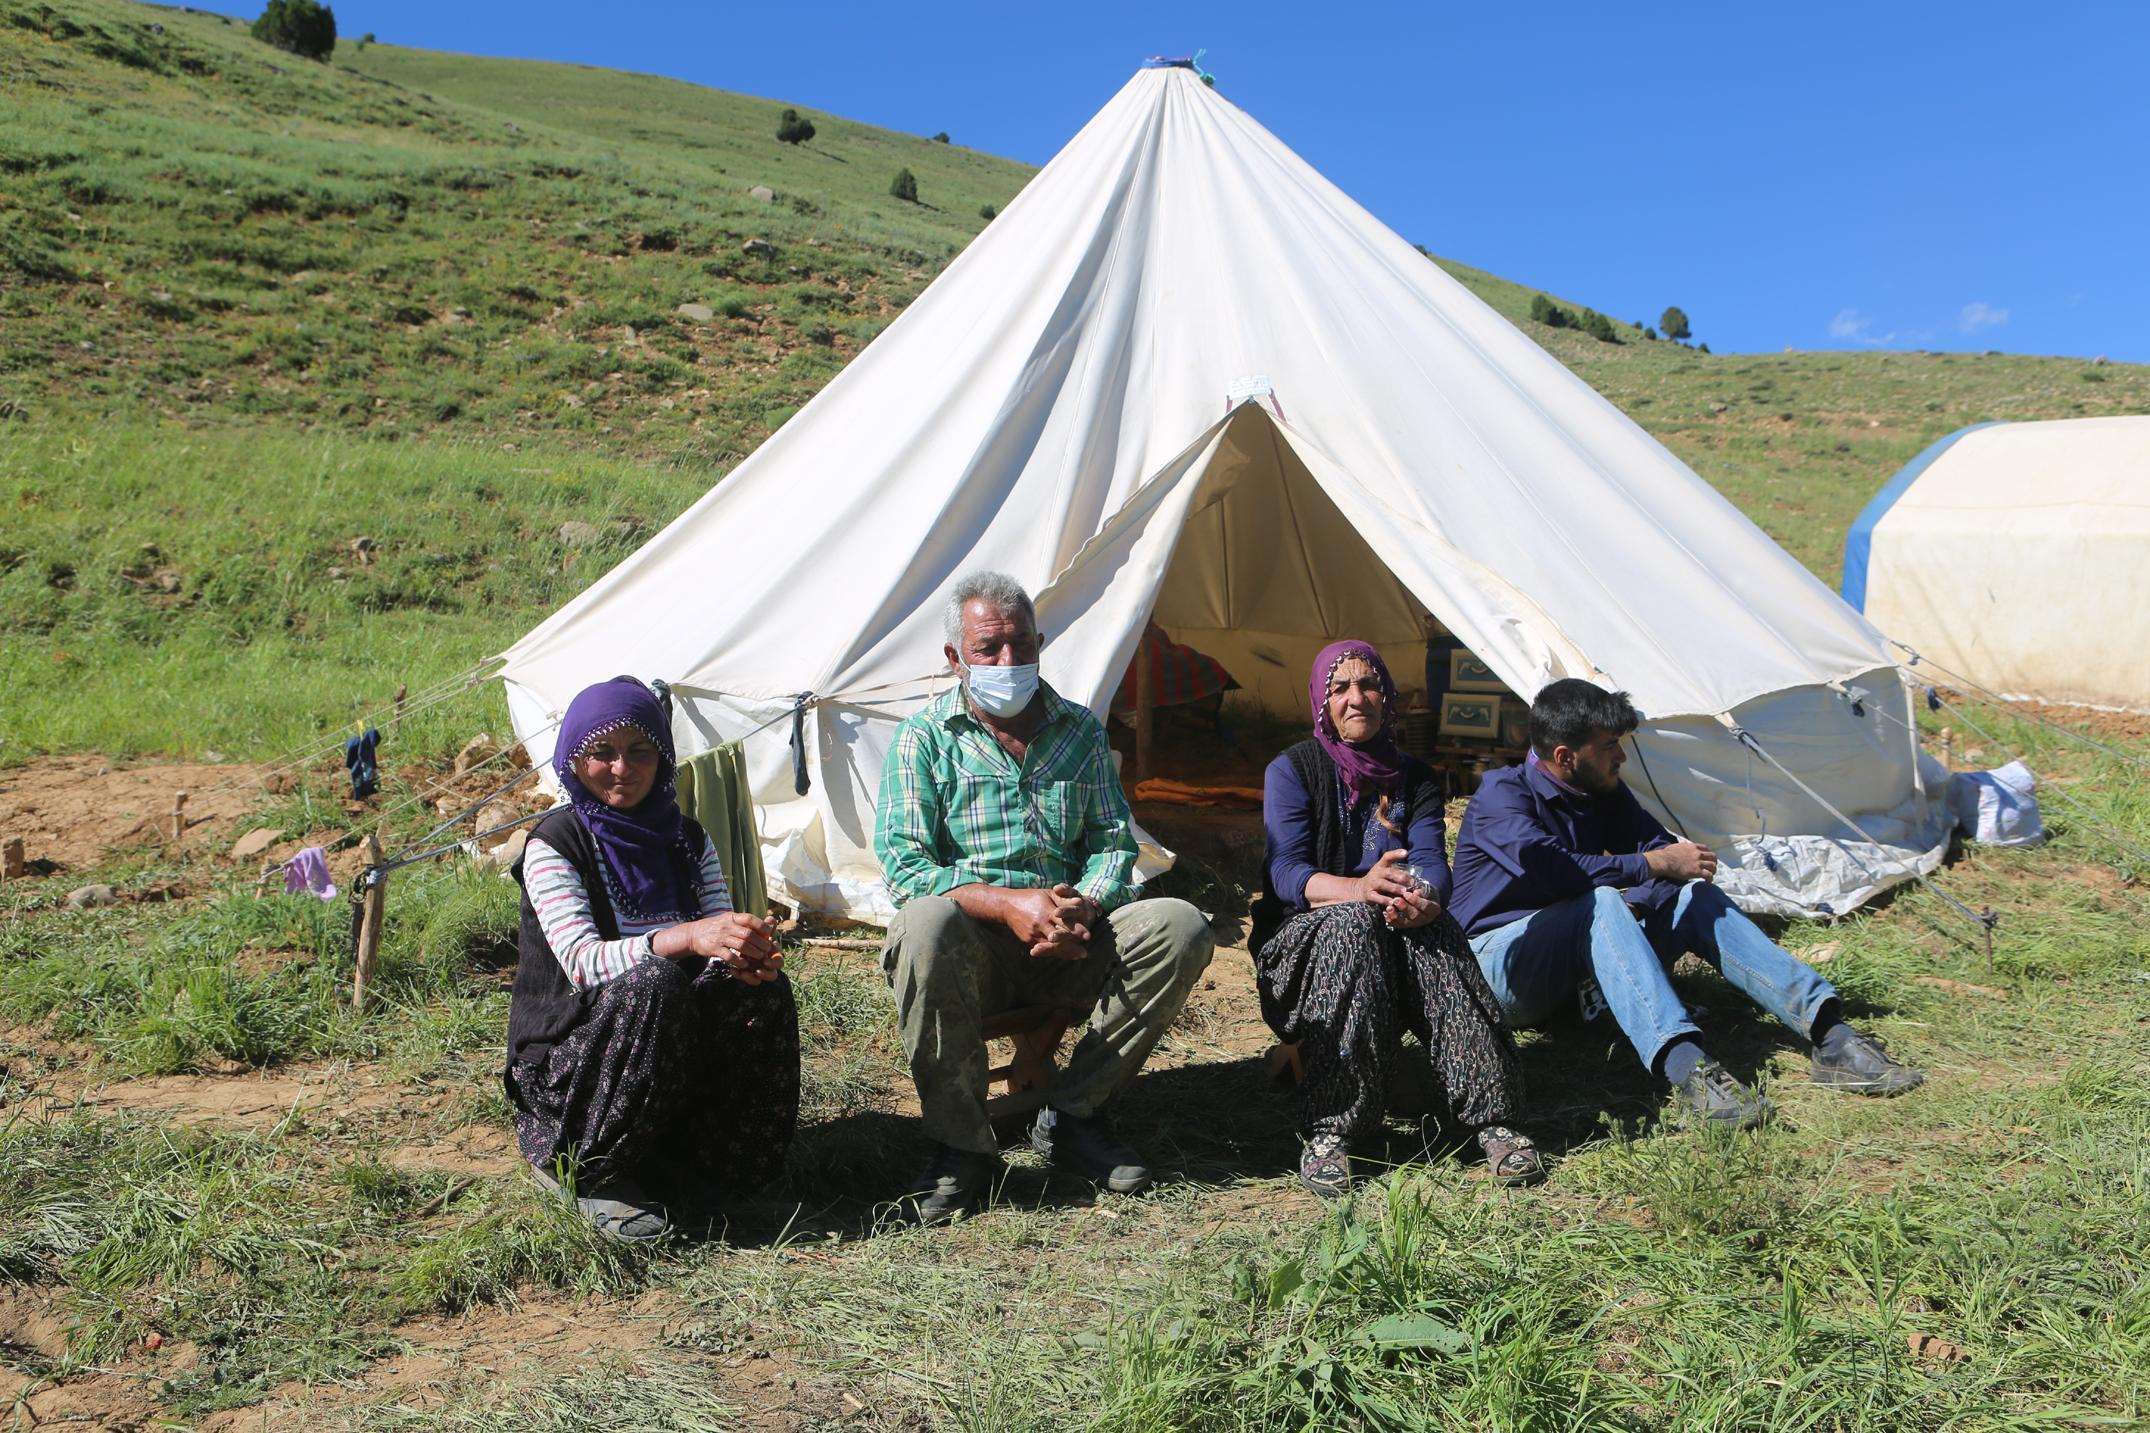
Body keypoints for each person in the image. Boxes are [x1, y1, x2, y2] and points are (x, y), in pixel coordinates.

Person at [874, 571, 1215, 1223]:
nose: (1009, 660)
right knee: (921, 924)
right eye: (989, 648)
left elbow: (1113, 842)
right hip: (975, 951)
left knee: (1181, 925)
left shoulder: (1079, 731)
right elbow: (905, 866)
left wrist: (1083, 905)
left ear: (1040, 642)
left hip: (1073, 941)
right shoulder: (924, 739)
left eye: (1022, 644)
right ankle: (960, 1147)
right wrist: (1007, 905)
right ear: (954, 658)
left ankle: (1075, 1114)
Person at [1449, 678, 1923, 1128]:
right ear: (1564, 756)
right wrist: (1650, 868)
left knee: (1693, 895)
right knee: (1602, 901)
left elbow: (1673, 864)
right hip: (1497, 968)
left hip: (1574, 962)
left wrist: (1640, 899)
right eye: (1610, 745)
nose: (1621, 756)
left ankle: (1829, 1033)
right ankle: (1689, 1071)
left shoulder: (1599, 788)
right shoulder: (1501, 796)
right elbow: (1558, 870)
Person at [506, 676, 799, 1240]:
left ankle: (714, 1166)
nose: (622, 768)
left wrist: (745, 957)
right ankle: (592, 1168)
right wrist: (688, 937)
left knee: (758, 991)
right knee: (653, 983)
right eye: (602, 752)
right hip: (573, 1059)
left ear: (663, 756)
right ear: (574, 759)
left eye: (640, 750)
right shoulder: (555, 844)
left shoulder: (688, 839)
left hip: (665, 1043)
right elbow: (583, 963)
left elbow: (715, 937)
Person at [1251, 641, 1540, 1197]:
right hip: (1303, 952)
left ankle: (1493, 1118)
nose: (1356, 698)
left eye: (1368, 685)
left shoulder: (1416, 777)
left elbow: (1431, 863)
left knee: (1436, 927)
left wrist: (1423, 899)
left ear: (1387, 697)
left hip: (1396, 934)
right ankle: (1332, 1130)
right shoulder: (1292, 769)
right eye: (1340, 688)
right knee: (1352, 924)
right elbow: (1286, 871)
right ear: (1322, 702)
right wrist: (1359, 890)